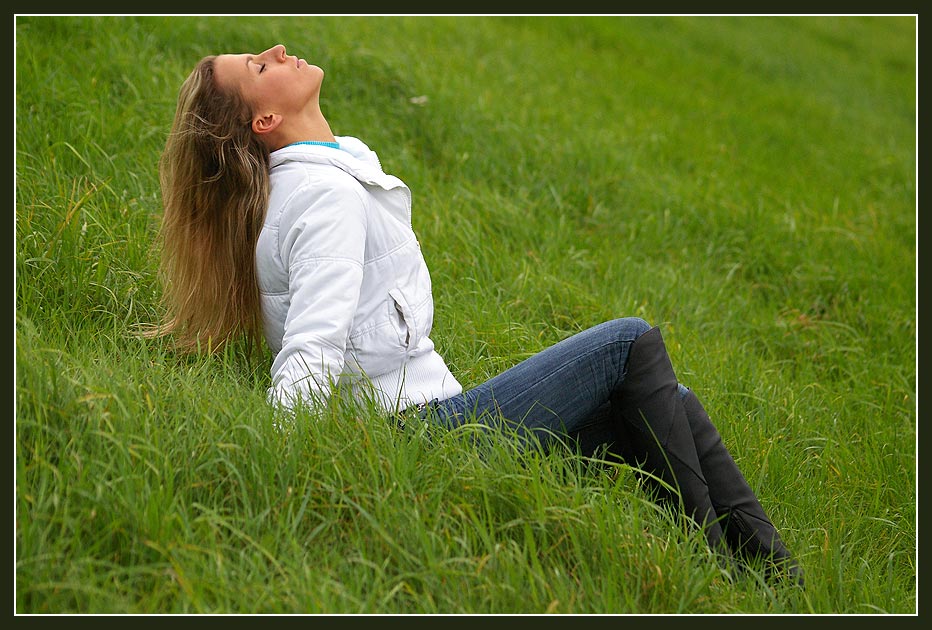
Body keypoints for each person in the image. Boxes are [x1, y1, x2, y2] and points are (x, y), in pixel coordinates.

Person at [147, 44, 803, 586]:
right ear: (264, 120)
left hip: (436, 423)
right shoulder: (323, 198)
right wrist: (276, 474)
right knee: (629, 344)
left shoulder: (321, 179)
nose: (276, 50)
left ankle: (776, 582)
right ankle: (717, 576)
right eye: (258, 67)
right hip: (420, 440)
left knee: (667, 403)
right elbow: (309, 349)